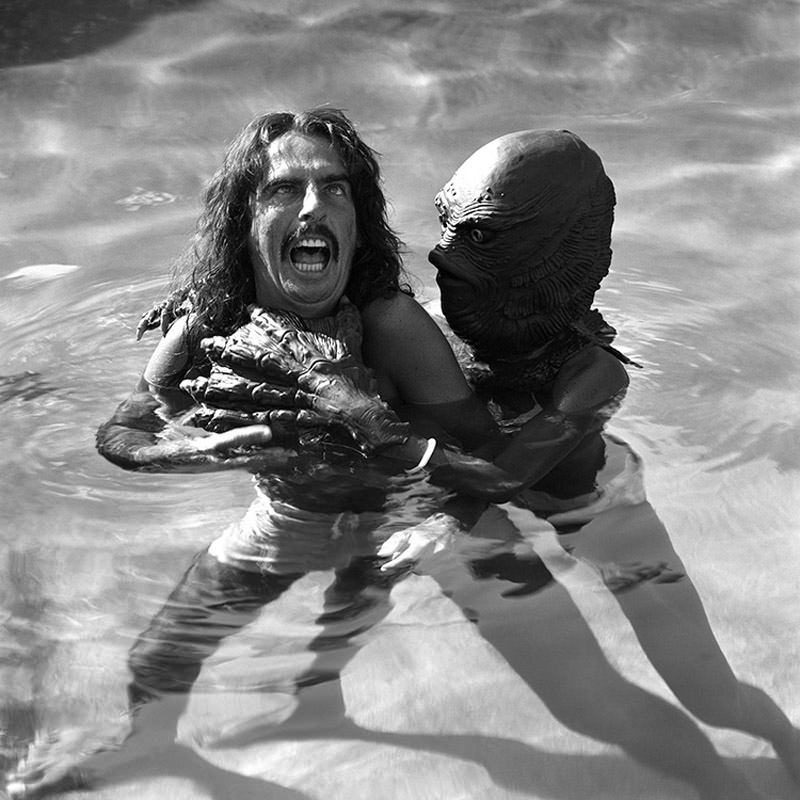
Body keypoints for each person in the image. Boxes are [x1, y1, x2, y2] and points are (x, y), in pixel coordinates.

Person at [5, 111, 796, 800]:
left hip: (504, 507)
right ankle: (224, 726)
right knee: (178, 647)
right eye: (283, 189)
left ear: (359, 220)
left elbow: (483, 465)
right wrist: (190, 447)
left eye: (336, 188)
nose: (313, 205)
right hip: (347, 506)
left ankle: (728, 777)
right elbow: (133, 424)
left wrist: (363, 419)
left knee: (633, 697)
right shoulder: (229, 318)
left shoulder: (429, 334)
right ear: (241, 219)